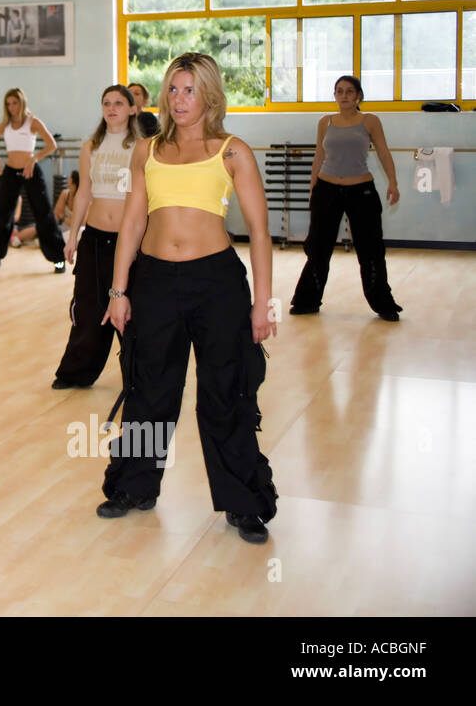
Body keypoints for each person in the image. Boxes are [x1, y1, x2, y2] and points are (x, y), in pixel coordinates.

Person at [99, 53, 278, 544]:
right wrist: (119, 290)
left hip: (216, 283)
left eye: (190, 91)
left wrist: (263, 303)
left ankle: (243, 502)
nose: (179, 100)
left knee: (224, 394)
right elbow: (133, 222)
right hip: (154, 281)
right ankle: (135, 485)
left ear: (210, 96)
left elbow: (260, 233)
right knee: (149, 390)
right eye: (173, 90)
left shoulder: (233, 151)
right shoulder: (147, 150)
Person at [290, 75, 402, 321]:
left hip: (361, 191)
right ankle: (307, 301)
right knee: (318, 248)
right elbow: (319, 156)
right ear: (335, 96)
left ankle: (383, 304)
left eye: (349, 91)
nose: (344, 96)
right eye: (339, 91)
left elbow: (383, 152)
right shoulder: (325, 122)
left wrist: (393, 182)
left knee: (371, 249)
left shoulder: (370, 121)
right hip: (327, 189)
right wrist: (313, 187)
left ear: (358, 96)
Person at [52, 85, 139, 390]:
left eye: (118, 103)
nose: (112, 108)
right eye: (106, 103)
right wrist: (73, 235)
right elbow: (84, 194)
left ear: (132, 108)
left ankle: (138, 378)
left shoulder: (142, 146)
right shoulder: (91, 147)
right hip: (95, 239)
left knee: (131, 310)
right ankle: (75, 373)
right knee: (88, 307)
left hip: (129, 241)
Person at [0, 87, 66, 272]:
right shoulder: (5, 125)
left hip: (30, 171)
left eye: (15, 103)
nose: (11, 107)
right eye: (8, 104)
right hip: (10, 172)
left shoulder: (32, 122)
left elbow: (52, 145)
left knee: (44, 214)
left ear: (22, 102)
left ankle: (58, 259)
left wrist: (34, 159)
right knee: (2, 215)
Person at [53, 170, 81, 237]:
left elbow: (81, 222)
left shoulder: (81, 199)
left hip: (78, 230)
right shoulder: (65, 194)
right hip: (65, 227)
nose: (68, 181)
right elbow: (57, 214)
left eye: (70, 179)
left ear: (75, 184)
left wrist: (65, 219)